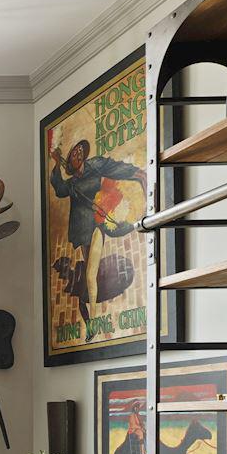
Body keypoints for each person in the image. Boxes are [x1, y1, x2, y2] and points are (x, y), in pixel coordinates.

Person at [48, 137, 149, 326]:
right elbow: (59, 190)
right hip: (81, 229)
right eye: (74, 153)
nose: (78, 153)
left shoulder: (95, 165)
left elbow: (112, 168)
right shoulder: (70, 184)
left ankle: (91, 317)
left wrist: (136, 174)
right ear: (69, 161)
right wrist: (55, 163)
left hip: (97, 223)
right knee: (89, 272)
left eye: (80, 151)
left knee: (90, 272)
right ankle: (89, 315)